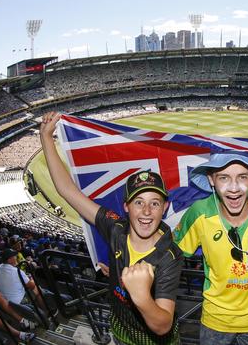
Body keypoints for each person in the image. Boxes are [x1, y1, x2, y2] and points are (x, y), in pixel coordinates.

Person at [40, 111, 183, 344]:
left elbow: (163, 325)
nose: (146, 212)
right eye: (139, 202)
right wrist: (46, 138)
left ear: (164, 208)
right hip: (119, 330)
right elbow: (68, 190)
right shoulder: (115, 227)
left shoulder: (170, 256)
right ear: (126, 207)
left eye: (154, 203)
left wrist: (141, 296)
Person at [173, 151, 248, 344]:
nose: (234, 188)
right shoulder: (198, 213)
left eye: (242, 177)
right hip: (215, 320)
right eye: (224, 177)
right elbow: (170, 256)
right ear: (211, 179)